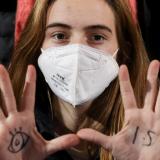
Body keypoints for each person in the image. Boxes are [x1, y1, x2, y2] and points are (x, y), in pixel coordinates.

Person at [0, 0, 159, 160]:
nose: (77, 51)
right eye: (59, 35)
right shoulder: (8, 134)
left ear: (123, 53)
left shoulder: (151, 136)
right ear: (37, 47)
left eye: (97, 37)